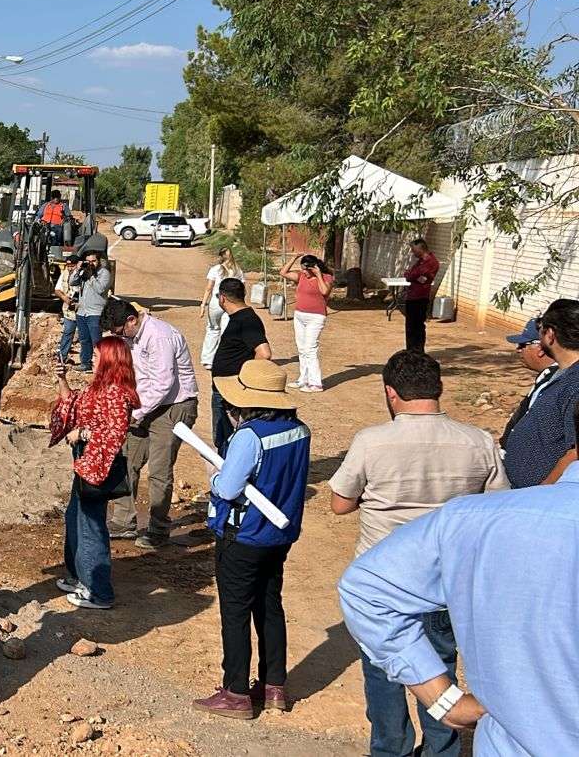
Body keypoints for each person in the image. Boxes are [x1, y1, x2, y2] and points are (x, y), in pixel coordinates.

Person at [338, 444, 579, 755]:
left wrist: (443, 700)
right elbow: (498, 486)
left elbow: (342, 510)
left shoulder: (473, 516)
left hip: (434, 576)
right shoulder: (477, 442)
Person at [328, 349, 507, 757]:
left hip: (383, 584)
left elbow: (340, 503)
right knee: (441, 668)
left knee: (384, 670)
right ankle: (442, 749)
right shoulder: (478, 441)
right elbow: (497, 507)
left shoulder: (372, 442)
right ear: (438, 389)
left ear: (391, 393)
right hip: (444, 585)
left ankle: (391, 748)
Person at [192, 359, 310, 719]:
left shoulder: (250, 436)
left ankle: (236, 691)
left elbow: (228, 488)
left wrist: (214, 474)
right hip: (279, 534)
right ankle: (274, 686)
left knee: (236, 610)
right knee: (269, 605)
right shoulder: (299, 430)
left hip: (243, 535)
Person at [50, 336, 140, 610]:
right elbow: (77, 407)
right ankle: (80, 576)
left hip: (97, 466)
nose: (92, 357)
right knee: (75, 518)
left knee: (90, 526)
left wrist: (83, 433)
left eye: (97, 354)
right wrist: (62, 381)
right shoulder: (101, 387)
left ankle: (98, 591)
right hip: (87, 463)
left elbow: (114, 433)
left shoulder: (116, 393)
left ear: (110, 359)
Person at [103, 298, 200, 549]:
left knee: (159, 470)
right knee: (127, 461)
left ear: (131, 320)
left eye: (120, 332)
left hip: (173, 408)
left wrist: (136, 413)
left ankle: (158, 529)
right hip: (146, 407)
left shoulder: (159, 337)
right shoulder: (133, 338)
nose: (120, 338)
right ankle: (123, 521)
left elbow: (162, 383)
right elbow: (140, 377)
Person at [501, 298, 579, 487]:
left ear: (550, 335)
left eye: (541, 331)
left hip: (537, 499)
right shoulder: (564, 375)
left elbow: (576, 453)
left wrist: (543, 490)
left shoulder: (575, 383)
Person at [209, 278, 271, 452]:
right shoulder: (240, 318)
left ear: (222, 298)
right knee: (224, 439)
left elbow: (264, 353)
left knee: (228, 441)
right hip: (227, 390)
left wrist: (243, 381)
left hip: (231, 393)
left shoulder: (247, 320)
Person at [500, 317, 559, 450]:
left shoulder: (556, 382)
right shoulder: (546, 376)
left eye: (523, 345)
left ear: (540, 347)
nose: (518, 350)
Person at [280, 254, 334, 392]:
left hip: (316, 317)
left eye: (306, 269)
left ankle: (316, 383)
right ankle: (303, 379)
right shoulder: (301, 276)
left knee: (310, 349)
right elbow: (283, 272)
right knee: (302, 349)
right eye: (302, 268)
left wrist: (318, 275)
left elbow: (324, 291)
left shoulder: (326, 277)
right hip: (300, 316)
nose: (303, 271)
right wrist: (294, 259)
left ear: (313, 267)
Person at [67, 251, 112, 373]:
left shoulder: (104, 273)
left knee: (97, 341)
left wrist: (91, 277)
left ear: (99, 261)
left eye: (93, 261)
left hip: (95, 312)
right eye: (89, 261)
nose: (91, 264)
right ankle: (85, 363)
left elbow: (100, 289)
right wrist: (77, 270)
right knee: (84, 339)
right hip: (82, 312)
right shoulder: (84, 271)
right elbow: (71, 282)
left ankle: (102, 365)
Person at [201, 248, 244, 369]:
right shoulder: (237, 270)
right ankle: (224, 359)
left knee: (213, 329)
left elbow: (209, 288)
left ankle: (208, 360)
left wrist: (203, 304)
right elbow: (242, 289)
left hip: (216, 301)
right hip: (232, 303)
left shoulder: (215, 269)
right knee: (226, 331)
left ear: (220, 257)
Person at [402, 238, 439, 353]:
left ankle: (417, 351)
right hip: (412, 296)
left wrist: (413, 275)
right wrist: (413, 275)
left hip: (420, 297)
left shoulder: (431, 262)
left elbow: (415, 275)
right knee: (410, 327)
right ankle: (410, 350)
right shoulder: (420, 261)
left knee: (417, 326)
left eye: (414, 250)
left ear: (421, 248)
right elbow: (409, 274)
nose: (413, 253)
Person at [55, 254, 84, 369]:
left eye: (72, 266)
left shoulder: (84, 274)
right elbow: (58, 290)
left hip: (83, 310)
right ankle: (62, 357)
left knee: (85, 337)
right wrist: (65, 299)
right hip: (69, 311)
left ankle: (86, 361)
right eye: (68, 266)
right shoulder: (65, 274)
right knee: (67, 333)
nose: (70, 268)